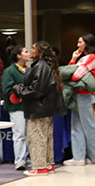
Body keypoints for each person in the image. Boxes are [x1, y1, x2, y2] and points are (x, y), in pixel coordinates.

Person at [13, 41, 64, 176]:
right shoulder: (47, 66)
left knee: (36, 137)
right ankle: (48, 164)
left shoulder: (40, 66)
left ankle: (40, 167)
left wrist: (19, 90)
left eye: (33, 48)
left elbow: (37, 89)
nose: (31, 50)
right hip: (46, 107)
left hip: (38, 108)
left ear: (40, 52)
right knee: (46, 137)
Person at [64, 33, 95, 166]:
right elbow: (70, 71)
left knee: (88, 125)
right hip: (78, 94)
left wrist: (71, 72)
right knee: (76, 125)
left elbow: (74, 75)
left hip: (85, 95)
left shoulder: (91, 58)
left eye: (80, 42)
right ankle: (79, 157)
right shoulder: (82, 58)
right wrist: (73, 59)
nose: (78, 45)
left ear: (87, 43)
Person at [2, 44, 31, 170]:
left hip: (28, 106)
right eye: (26, 52)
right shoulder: (9, 71)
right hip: (16, 106)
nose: (29, 54)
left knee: (29, 134)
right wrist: (21, 90)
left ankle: (28, 158)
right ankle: (20, 160)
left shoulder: (28, 69)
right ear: (19, 56)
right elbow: (7, 90)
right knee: (19, 133)